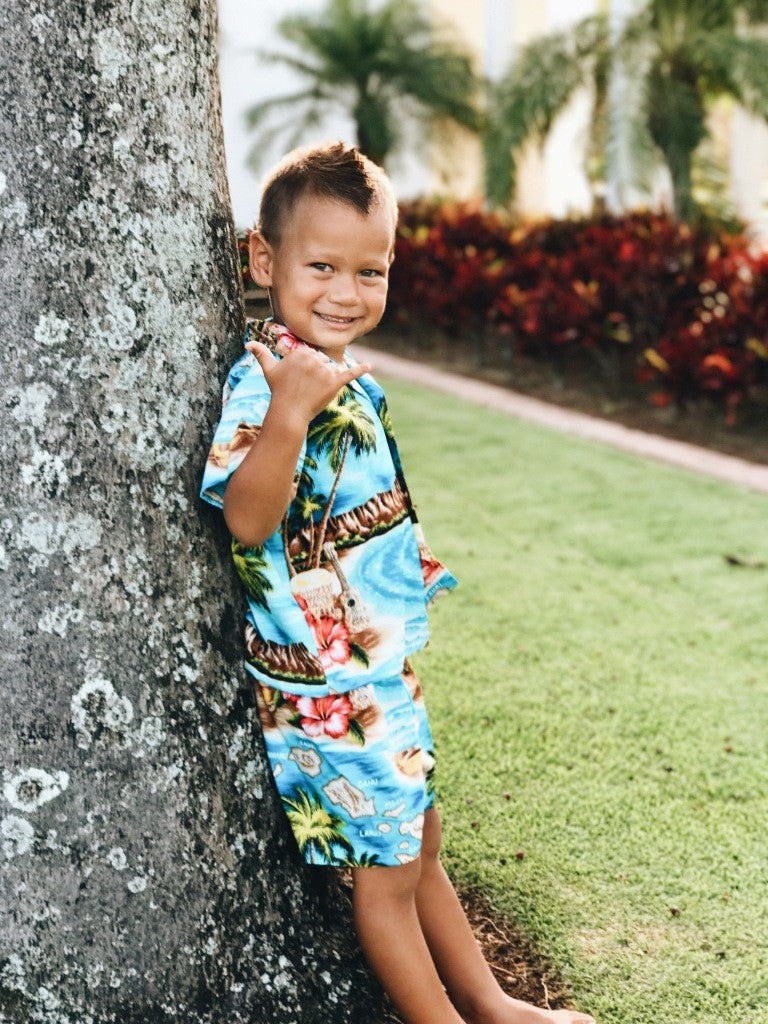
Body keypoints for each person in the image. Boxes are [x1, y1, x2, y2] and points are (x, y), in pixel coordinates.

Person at [200, 142, 596, 1024]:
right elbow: (247, 519)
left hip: (377, 668)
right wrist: (291, 412)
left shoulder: (333, 370)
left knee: (421, 846)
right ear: (264, 261)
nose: (346, 291)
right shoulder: (265, 380)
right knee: (383, 879)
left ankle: (491, 1004)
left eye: (370, 270)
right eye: (323, 266)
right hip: (325, 687)